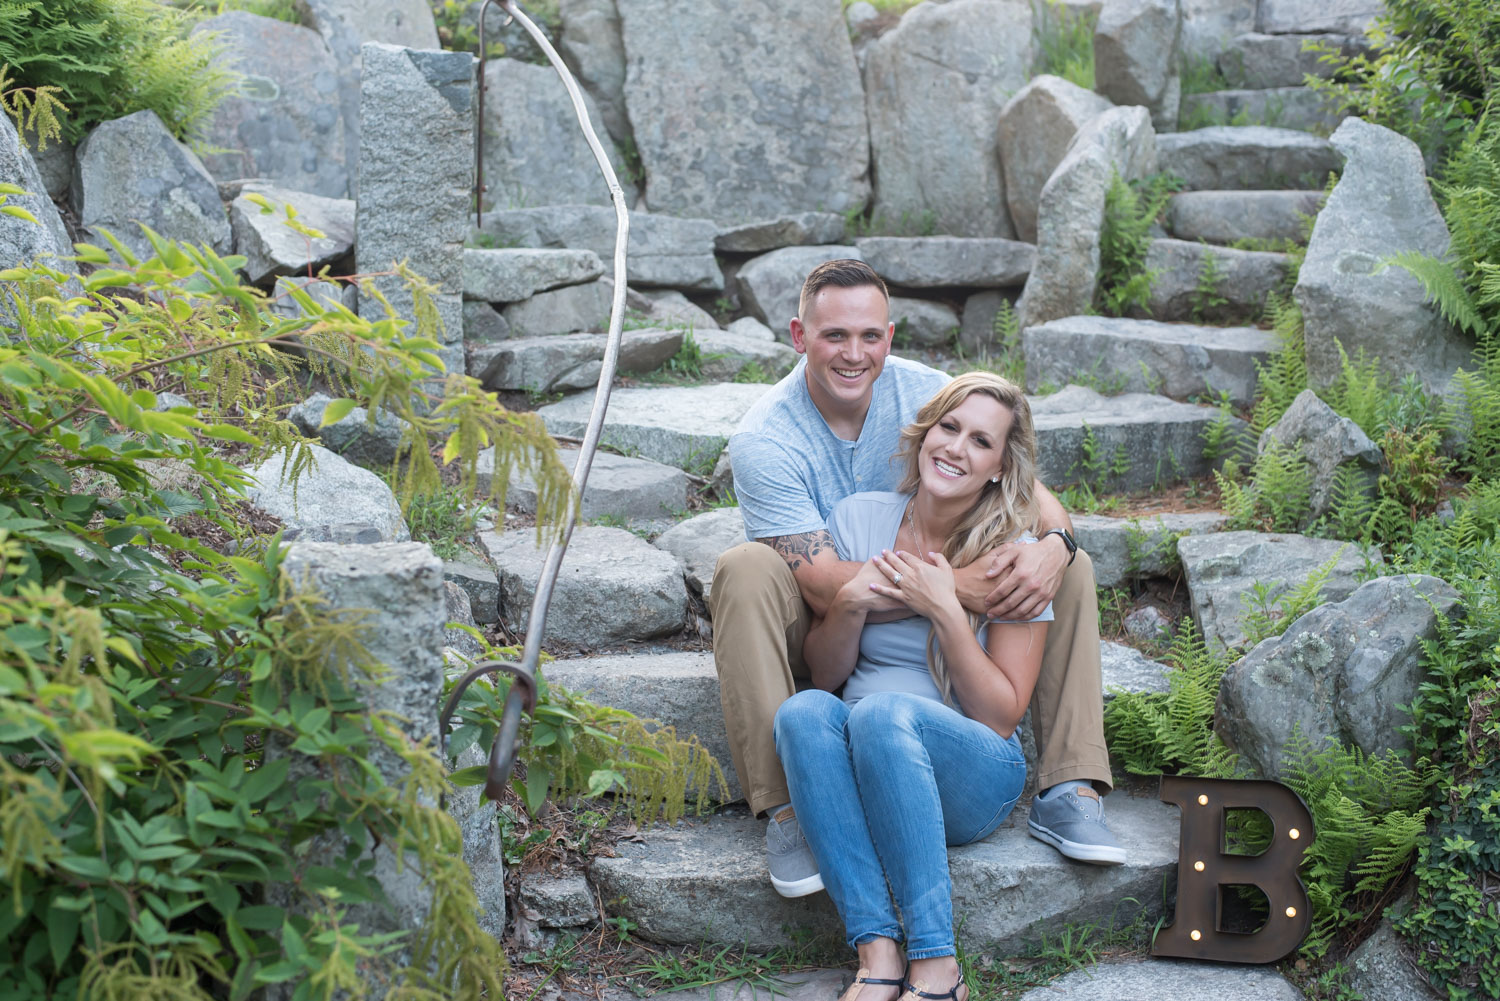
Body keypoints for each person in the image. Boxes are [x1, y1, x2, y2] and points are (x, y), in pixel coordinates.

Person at [709, 259, 1122, 900]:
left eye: (870, 336)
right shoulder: (766, 438)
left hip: (914, 604)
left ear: (890, 336)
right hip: (815, 618)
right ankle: (788, 810)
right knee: (744, 566)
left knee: (1064, 568)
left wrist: (1056, 545)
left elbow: (1027, 489)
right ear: (798, 336)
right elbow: (823, 585)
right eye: (834, 336)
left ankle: (1068, 783)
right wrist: (955, 589)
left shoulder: (927, 394)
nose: (854, 354)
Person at [773, 371, 1049, 1001]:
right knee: (804, 710)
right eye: (948, 427)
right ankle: (878, 957)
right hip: (862, 759)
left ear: (1001, 467)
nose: (956, 448)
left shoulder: (1014, 557)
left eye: (980, 441)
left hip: (972, 770)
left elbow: (1003, 716)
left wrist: (947, 606)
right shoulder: (859, 518)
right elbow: (829, 673)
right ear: (925, 434)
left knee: (881, 713)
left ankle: (937, 965)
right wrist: (847, 605)